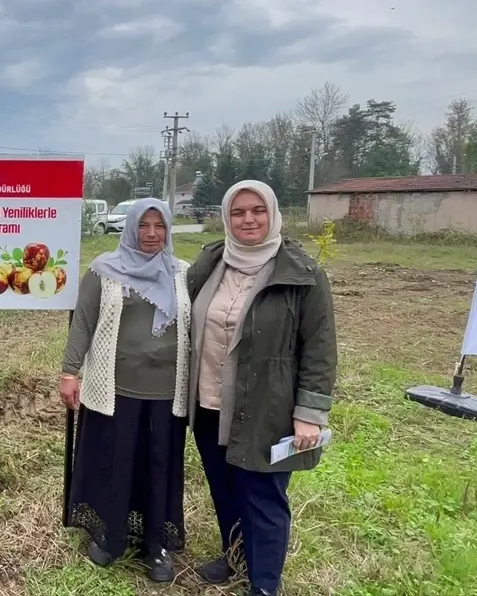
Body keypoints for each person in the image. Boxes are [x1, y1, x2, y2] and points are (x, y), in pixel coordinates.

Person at [187, 180, 338, 596]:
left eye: (257, 210)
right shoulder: (210, 264)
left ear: (272, 214)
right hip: (210, 403)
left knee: (264, 497)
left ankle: (264, 583)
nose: (248, 219)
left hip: (267, 409)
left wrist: (309, 413)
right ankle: (235, 557)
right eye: (238, 212)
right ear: (225, 218)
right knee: (225, 489)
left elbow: (320, 349)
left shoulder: (302, 274)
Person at [60, 198, 192, 581]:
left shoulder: (183, 273)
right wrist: (70, 371)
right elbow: (83, 323)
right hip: (116, 388)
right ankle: (111, 537)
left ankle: (157, 546)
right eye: (143, 226)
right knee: (115, 463)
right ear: (131, 228)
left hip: (168, 391)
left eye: (160, 226)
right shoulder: (104, 271)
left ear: (168, 230)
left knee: (160, 466)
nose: (151, 234)